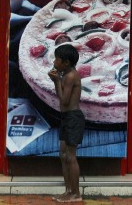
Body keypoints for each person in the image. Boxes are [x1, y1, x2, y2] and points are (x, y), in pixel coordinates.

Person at [48, 44, 85, 203]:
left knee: (70, 156)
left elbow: (64, 100)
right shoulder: (67, 74)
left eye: (57, 59)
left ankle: (75, 194)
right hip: (66, 117)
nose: (54, 61)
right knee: (63, 155)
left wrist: (56, 81)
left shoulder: (70, 76)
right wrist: (57, 79)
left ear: (66, 63)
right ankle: (68, 190)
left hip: (73, 118)